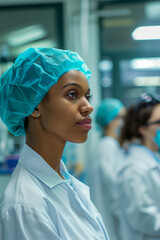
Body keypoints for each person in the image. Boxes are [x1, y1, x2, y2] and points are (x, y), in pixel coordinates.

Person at [0, 47, 109, 240]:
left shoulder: (65, 183)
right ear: (35, 106)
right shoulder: (26, 206)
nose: (88, 106)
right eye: (72, 94)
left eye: (87, 96)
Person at [117, 93, 160, 240]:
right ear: (143, 128)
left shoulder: (153, 158)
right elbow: (142, 217)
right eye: (159, 122)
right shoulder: (134, 168)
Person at [87, 98, 126, 240]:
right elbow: (116, 192)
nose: (125, 122)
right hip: (112, 226)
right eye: (122, 117)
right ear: (111, 121)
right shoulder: (108, 147)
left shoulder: (105, 146)